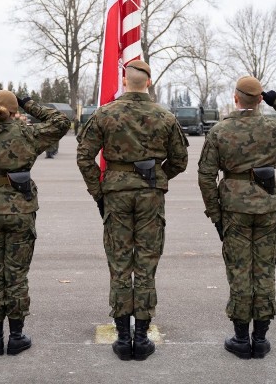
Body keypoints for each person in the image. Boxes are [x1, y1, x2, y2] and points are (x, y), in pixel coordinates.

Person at [197, 76, 276, 359]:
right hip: (266, 208)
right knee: (264, 269)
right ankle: (260, 339)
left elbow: (205, 176)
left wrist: (215, 215)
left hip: (234, 210)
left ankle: (241, 339)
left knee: (240, 270)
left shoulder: (220, 131)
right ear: (259, 99)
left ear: (235, 98)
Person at [76, 60, 189, 361]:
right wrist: (157, 177)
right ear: (148, 83)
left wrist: (98, 189)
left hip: (116, 194)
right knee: (146, 263)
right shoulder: (164, 116)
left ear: (125, 81)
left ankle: (123, 338)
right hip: (150, 195)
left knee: (120, 262)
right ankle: (141, 336)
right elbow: (180, 160)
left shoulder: (106, 114)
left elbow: (84, 156)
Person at [0, 91, 70, 356]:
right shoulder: (27, 135)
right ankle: (17, 336)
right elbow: (61, 122)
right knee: (17, 276)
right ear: (13, 110)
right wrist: (29, 103)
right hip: (21, 211)